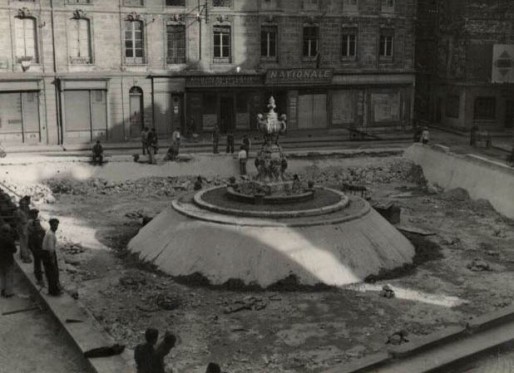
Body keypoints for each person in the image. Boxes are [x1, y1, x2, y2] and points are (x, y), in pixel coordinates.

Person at [41, 218, 62, 296]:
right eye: (54, 225)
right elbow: (50, 249)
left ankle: (53, 289)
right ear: (51, 225)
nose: (56, 227)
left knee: (51, 273)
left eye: (57, 225)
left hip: (47, 253)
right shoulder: (50, 235)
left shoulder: (50, 233)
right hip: (48, 254)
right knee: (52, 273)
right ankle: (54, 291)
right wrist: (52, 259)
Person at [27, 209, 45, 286]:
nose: (36, 215)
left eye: (36, 214)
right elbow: (31, 233)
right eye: (34, 214)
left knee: (37, 261)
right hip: (35, 245)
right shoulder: (30, 222)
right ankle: (39, 278)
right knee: (38, 261)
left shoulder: (36, 222)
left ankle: (37, 272)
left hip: (37, 245)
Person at [13, 196, 32, 263]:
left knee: (25, 241)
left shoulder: (25, 210)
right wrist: (20, 228)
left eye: (25, 204)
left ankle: (23, 254)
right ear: (20, 204)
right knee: (23, 242)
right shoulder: (19, 211)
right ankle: (25, 257)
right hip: (22, 226)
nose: (24, 205)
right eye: (22, 204)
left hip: (25, 226)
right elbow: (17, 221)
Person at [0, 224, 16, 298]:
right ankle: (8, 292)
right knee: (9, 276)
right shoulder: (9, 239)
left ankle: (3, 290)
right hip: (8, 260)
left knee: (2, 275)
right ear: (8, 231)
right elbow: (14, 250)